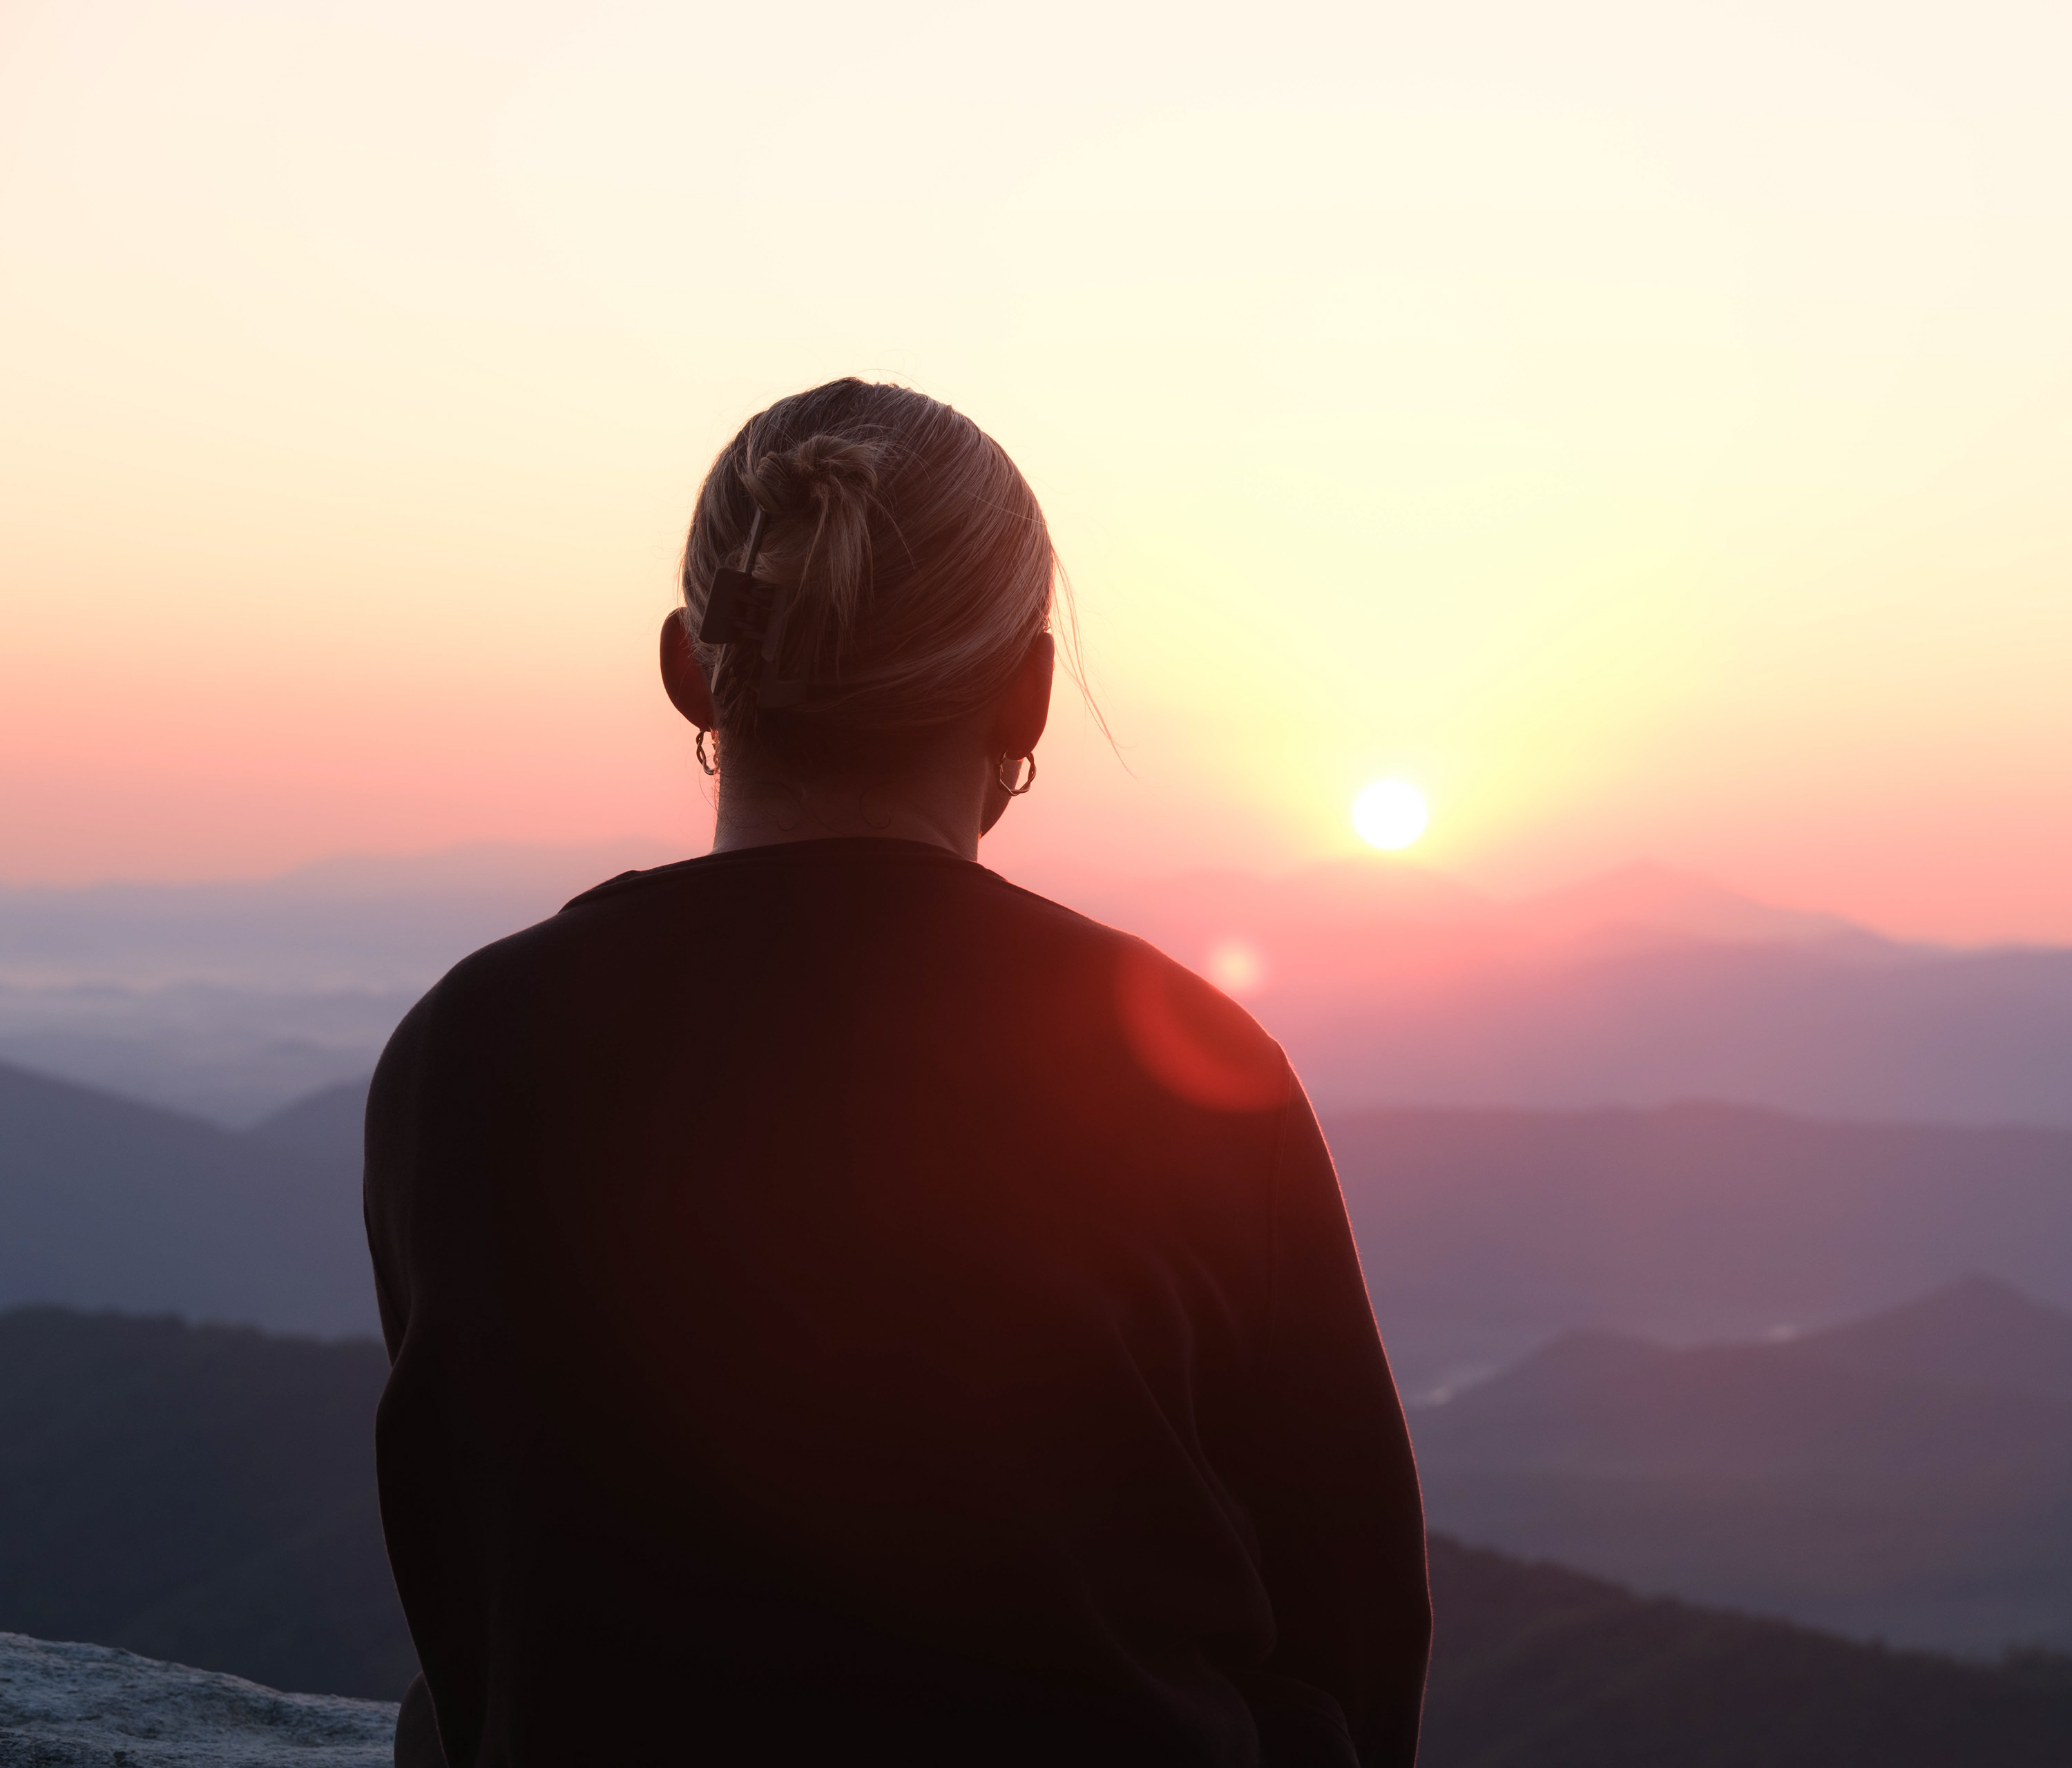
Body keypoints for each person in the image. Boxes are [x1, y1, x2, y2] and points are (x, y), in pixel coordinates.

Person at [365, 379, 1430, 1767]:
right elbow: (1353, 1643)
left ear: (691, 667)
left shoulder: (469, 1046)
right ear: (1029, 691)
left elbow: (473, 1574)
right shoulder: (1190, 1067)